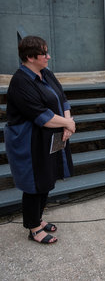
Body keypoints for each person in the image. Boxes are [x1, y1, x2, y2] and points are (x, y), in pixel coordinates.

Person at [4, 36, 76, 244]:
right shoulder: (20, 81)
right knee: (34, 183)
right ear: (29, 57)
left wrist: (67, 121)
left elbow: (62, 98)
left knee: (47, 178)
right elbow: (40, 115)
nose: (48, 56)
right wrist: (67, 124)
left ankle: (39, 218)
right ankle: (34, 228)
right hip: (29, 142)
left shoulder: (45, 73)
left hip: (50, 137)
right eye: (44, 53)